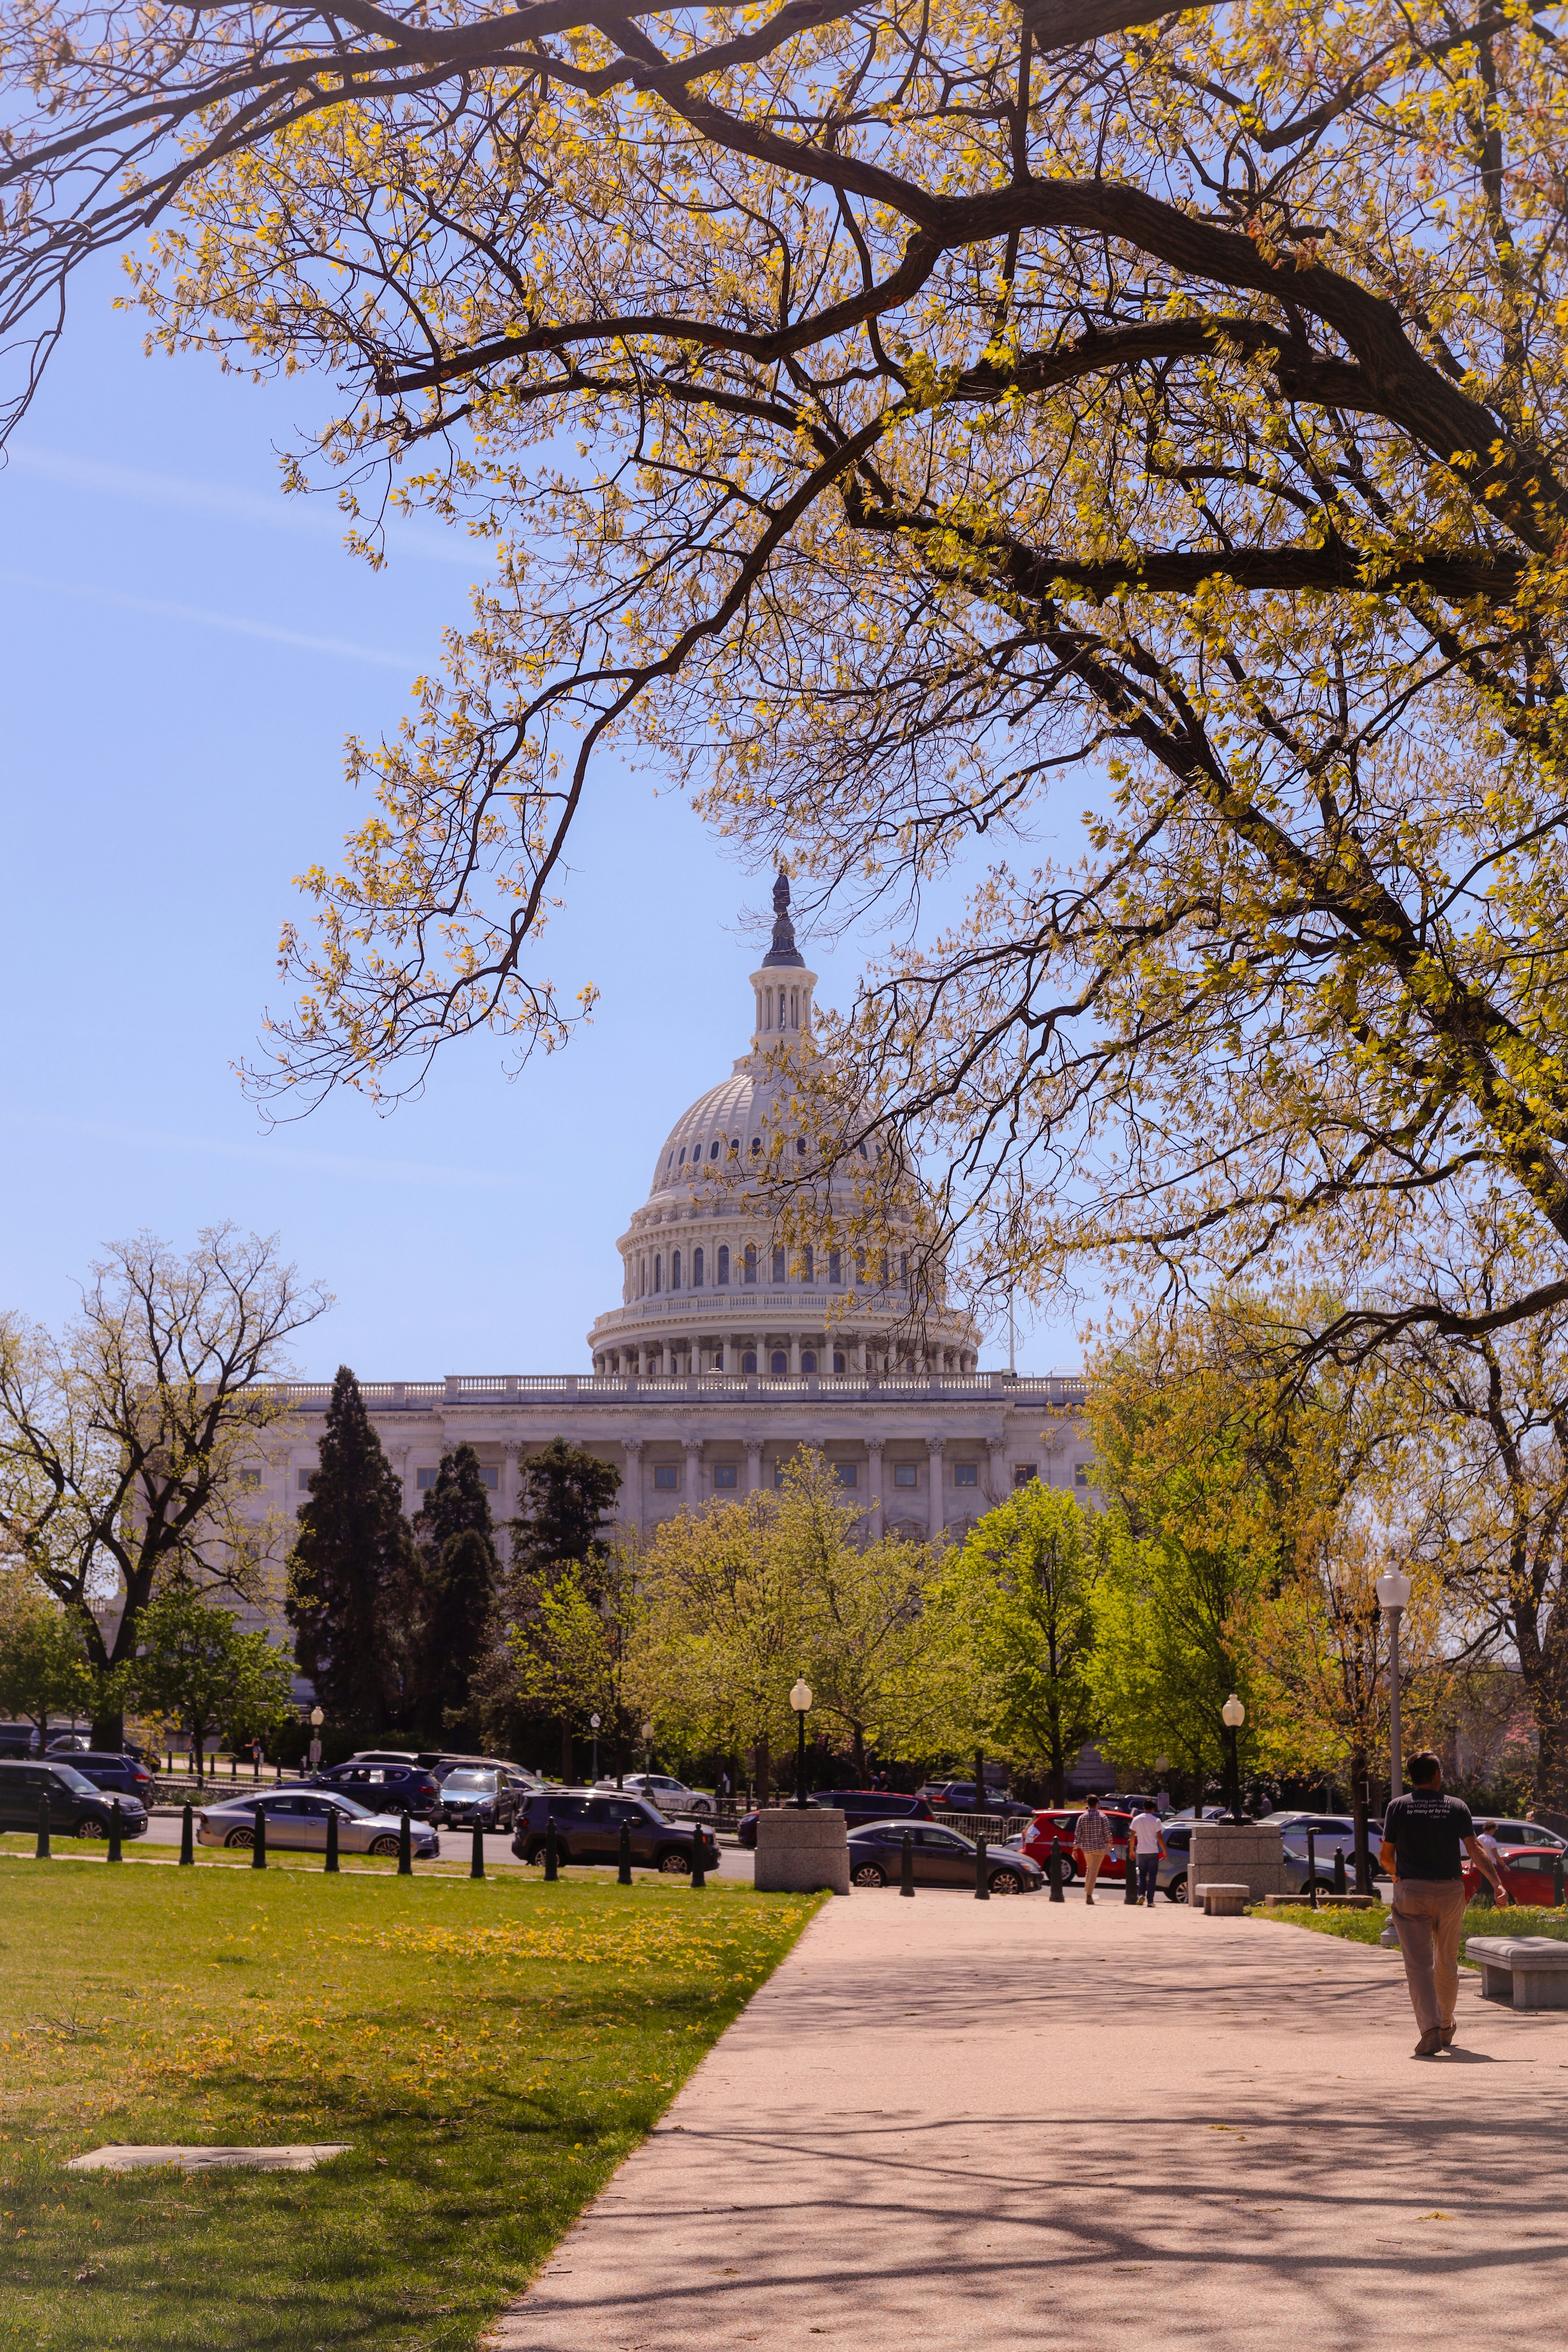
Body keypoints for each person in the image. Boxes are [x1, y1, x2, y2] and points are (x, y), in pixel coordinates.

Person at [1380, 1752, 1509, 2057]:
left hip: (1411, 1890)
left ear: (1413, 1776)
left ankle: (1429, 2031)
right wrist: (1497, 1884)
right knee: (1447, 1963)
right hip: (1450, 1892)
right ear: (1437, 1774)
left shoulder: (1397, 1807)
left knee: (1419, 1965)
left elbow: (1386, 1855)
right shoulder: (1456, 1806)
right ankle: (1446, 2024)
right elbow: (1474, 1847)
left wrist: (1396, 1875)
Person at [1075, 1794, 1114, 1903]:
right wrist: (1110, 1842)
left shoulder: (1082, 1818)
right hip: (1099, 1848)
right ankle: (1089, 1895)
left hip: (1086, 1848)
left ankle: (1087, 1890)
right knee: (1094, 1872)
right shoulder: (1102, 1817)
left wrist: (1075, 1848)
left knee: (1089, 1868)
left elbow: (1078, 1834)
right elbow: (1107, 1832)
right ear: (1097, 1804)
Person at [1130, 1802, 1166, 1907]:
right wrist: (1164, 1851)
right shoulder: (1157, 1821)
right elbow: (1160, 1838)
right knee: (1153, 1876)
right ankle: (1150, 1901)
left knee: (1142, 1874)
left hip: (1141, 1852)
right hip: (1153, 1851)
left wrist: (1132, 1851)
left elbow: (1132, 1836)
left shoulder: (1136, 1819)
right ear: (1154, 1809)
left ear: (1144, 1807)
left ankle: (1141, 1894)